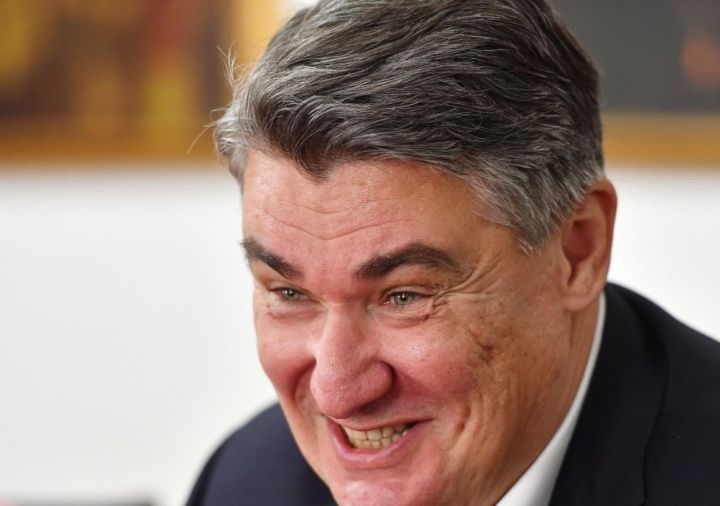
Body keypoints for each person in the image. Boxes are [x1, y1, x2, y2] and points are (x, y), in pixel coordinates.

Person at [187, 0, 720, 504]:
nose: (337, 393)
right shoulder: (247, 484)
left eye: (403, 296)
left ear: (578, 250)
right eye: (288, 292)